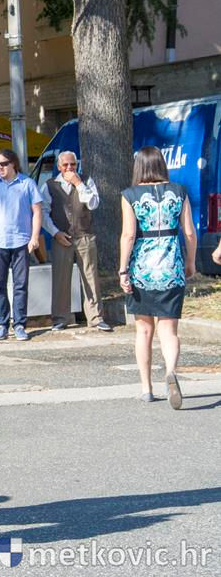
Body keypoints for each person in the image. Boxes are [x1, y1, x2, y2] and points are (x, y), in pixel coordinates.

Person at [119, 145, 197, 409]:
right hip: (171, 267)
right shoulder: (179, 191)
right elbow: (189, 232)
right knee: (169, 329)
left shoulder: (130, 195)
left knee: (143, 330)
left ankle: (146, 388)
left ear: (139, 167)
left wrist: (122, 269)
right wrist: (190, 262)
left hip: (142, 270)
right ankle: (171, 371)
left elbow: (128, 235)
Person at [41, 151, 112, 332]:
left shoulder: (86, 181)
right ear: (59, 167)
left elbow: (93, 203)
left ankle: (96, 317)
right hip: (61, 237)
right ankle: (60, 318)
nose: (69, 168)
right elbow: (43, 213)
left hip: (84, 234)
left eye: (72, 164)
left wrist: (78, 184)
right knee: (61, 278)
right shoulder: (49, 185)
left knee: (90, 277)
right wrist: (55, 233)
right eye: (65, 165)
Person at [0, 149, 43, 341]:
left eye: (4, 163)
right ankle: (2, 324)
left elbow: (37, 211)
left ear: (13, 163)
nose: (0, 167)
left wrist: (34, 237)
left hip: (21, 241)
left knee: (21, 285)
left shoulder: (27, 184)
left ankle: (20, 324)